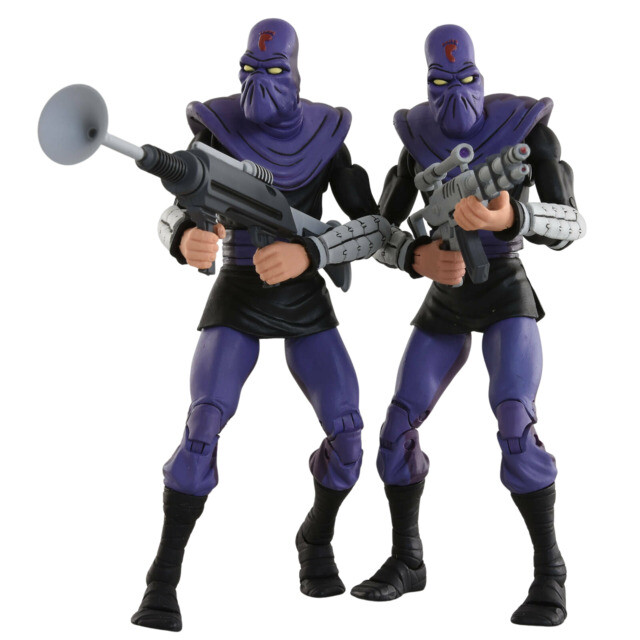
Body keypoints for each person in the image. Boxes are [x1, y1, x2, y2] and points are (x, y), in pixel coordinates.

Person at [131, 18, 388, 632]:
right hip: (239, 288)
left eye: (273, 71)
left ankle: (316, 538)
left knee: (349, 434)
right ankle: (162, 580)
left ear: (296, 74)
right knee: (202, 427)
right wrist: (186, 238)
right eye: (249, 70)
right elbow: (176, 208)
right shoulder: (215, 130)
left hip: (303, 293)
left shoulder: (327, 137)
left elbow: (375, 230)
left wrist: (313, 252)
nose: (259, 83)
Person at [350, 24, 585, 627]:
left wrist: (512, 217)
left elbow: (572, 227)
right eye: (440, 81)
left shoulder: (525, 130)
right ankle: (407, 559)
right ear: (427, 85)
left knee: (515, 423)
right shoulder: (417, 140)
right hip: (447, 289)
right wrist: (414, 257)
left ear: (480, 77)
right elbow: (377, 232)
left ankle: (550, 571)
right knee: (396, 427)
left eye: (466, 79)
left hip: (504, 286)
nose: (455, 91)